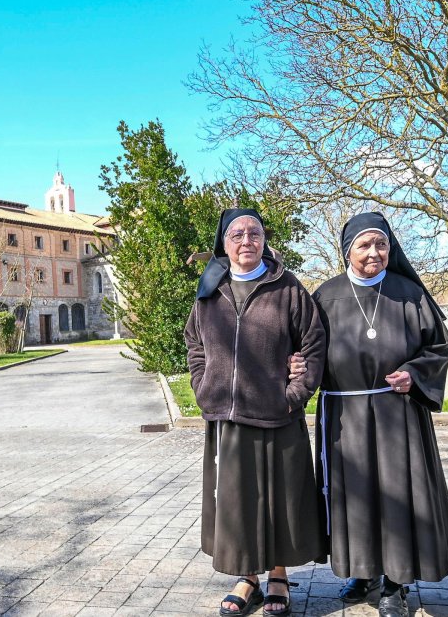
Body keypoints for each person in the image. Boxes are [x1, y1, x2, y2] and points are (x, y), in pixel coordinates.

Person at [306, 212, 448, 616]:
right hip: (345, 414)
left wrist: (414, 373)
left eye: (381, 245)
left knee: (398, 495)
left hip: (398, 413)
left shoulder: (409, 293)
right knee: (354, 495)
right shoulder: (325, 297)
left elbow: (439, 348)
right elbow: (304, 349)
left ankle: (396, 582)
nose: (374, 252)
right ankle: (363, 571)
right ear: (347, 251)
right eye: (364, 245)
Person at [183, 208, 327, 616]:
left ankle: (278, 574)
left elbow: (313, 343)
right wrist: (202, 383)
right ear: (223, 243)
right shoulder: (210, 287)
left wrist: (295, 392)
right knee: (237, 501)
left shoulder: (287, 288)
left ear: (264, 239)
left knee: (280, 498)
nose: (247, 240)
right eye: (237, 234)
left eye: (255, 233)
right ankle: (248, 577)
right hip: (227, 417)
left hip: (277, 413)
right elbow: (194, 341)